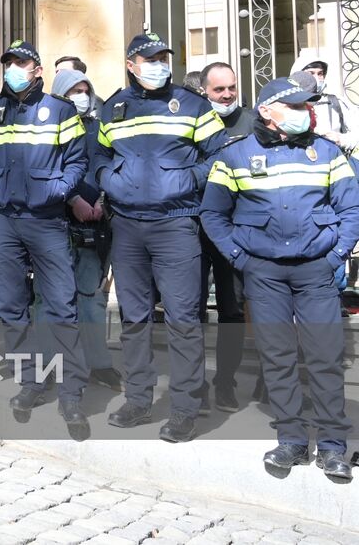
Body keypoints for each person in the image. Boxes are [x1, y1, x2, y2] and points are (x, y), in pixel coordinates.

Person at [200, 76, 358, 480]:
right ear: (268, 112)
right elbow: (213, 214)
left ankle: (333, 445)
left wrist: (336, 254)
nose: (308, 113)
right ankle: (290, 439)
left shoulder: (326, 152)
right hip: (264, 274)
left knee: (324, 357)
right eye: (297, 107)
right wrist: (240, 258)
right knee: (277, 357)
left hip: (316, 271)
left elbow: (351, 208)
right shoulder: (234, 156)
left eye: (308, 106)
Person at [97, 32, 225, 443]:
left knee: (183, 320)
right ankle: (137, 399)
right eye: (149, 58)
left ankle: (185, 408)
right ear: (131, 64)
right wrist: (109, 180)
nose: (159, 63)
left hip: (176, 225)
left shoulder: (192, 105)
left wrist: (190, 178)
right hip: (128, 226)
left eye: (163, 57)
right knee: (133, 320)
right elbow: (97, 156)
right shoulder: (113, 107)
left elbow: (219, 155)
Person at [0, 39, 91, 439]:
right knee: (10, 305)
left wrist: (57, 191)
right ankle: (30, 382)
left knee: (61, 305)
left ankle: (72, 391)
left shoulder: (60, 110)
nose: (13, 69)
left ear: (38, 69)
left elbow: (78, 160)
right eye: (9, 63)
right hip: (3, 220)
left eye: (21, 63)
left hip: (47, 220)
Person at [50, 67, 121, 391]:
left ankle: (99, 364)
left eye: (84, 90)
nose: (80, 97)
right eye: (72, 92)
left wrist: (102, 200)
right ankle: (50, 366)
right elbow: (46, 168)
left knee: (91, 298)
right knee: (51, 299)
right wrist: (73, 199)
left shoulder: (97, 127)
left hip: (94, 222)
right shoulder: (46, 127)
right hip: (55, 221)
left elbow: (106, 164)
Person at [198, 60, 250, 409]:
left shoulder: (252, 122)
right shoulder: (192, 119)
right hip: (193, 228)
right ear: (205, 91)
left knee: (232, 311)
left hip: (235, 230)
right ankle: (195, 384)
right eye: (219, 89)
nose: (228, 94)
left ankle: (225, 383)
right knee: (192, 309)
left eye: (231, 87)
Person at [294, 59, 359, 152]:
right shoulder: (287, 103)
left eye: (320, 73)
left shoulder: (336, 101)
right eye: (310, 73)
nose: (316, 78)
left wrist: (342, 139)